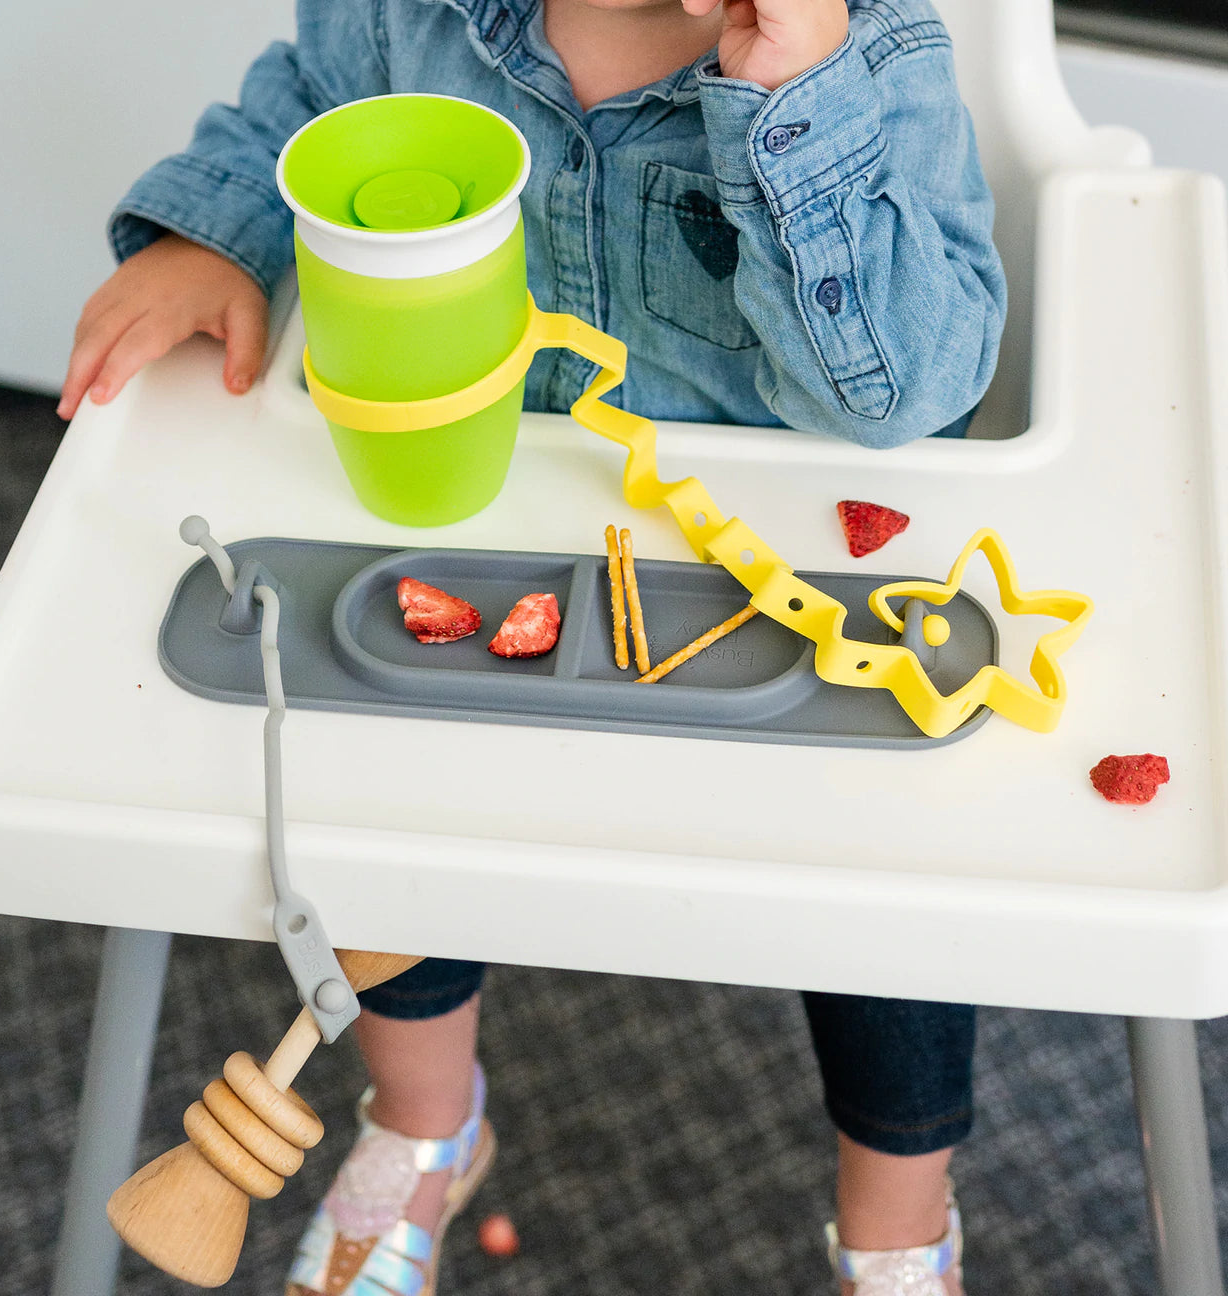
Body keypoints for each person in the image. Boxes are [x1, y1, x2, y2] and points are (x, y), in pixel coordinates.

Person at [60, 0, 1006, 1291]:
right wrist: (206, 233)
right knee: (383, 795)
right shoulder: (413, 14)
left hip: (781, 601)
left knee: (893, 885)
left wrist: (795, 95)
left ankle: (899, 1228)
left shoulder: (878, 54)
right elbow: (312, 110)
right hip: (485, 528)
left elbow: (908, 394)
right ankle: (424, 1122)